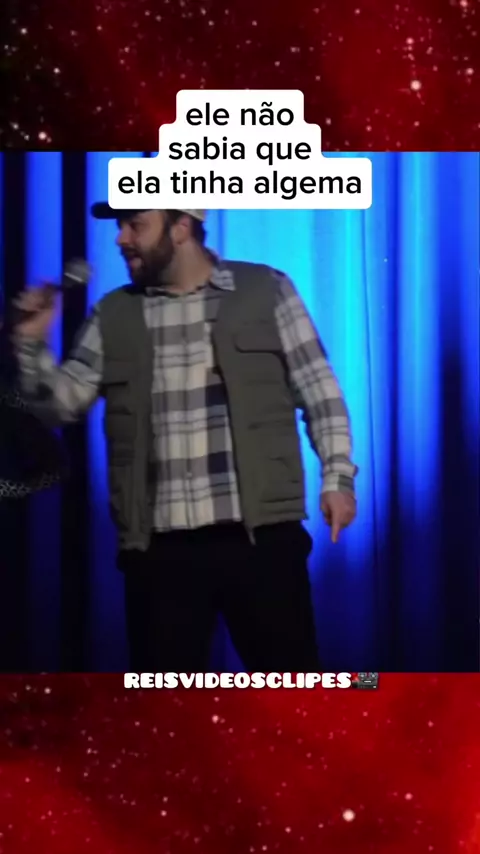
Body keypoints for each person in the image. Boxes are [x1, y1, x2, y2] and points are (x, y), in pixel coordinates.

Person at [13, 207, 358, 672]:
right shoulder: (113, 314)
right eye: (119, 226)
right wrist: (30, 346)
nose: (120, 239)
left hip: (261, 542)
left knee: (292, 695)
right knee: (165, 707)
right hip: (160, 555)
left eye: (135, 224)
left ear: (181, 227)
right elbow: (59, 404)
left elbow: (319, 390)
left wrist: (337, 478)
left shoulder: (266, 290)